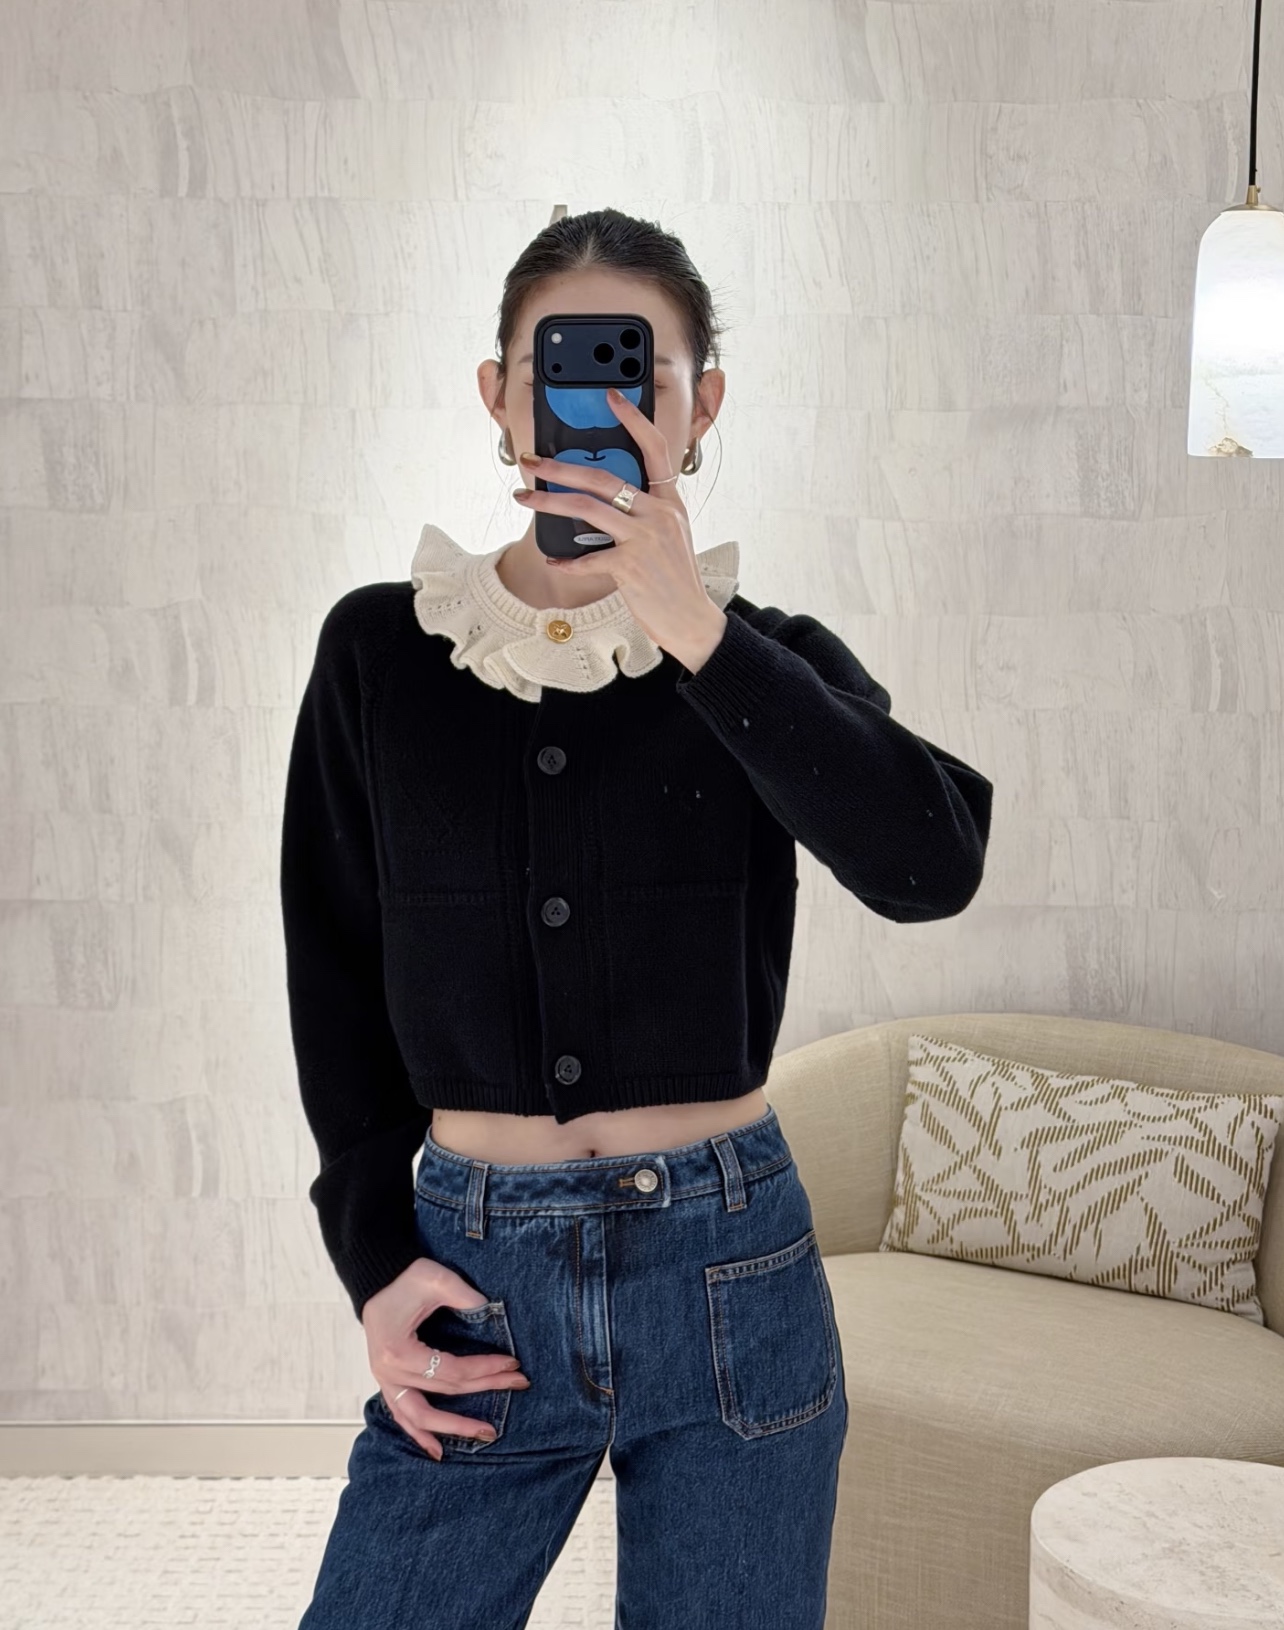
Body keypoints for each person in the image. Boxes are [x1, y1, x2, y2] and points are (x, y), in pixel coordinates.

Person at [282, 207, 993, 1630]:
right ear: (498, 397)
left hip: (732, 1273)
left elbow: (933, 862)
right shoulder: (380, 651)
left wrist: (705, 640)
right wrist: (372, 1258)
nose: (595, 409)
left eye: (636, 375)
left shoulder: (763, 657)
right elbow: (334, 968)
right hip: (478, 1279)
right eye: (554, 371)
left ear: (698, 404)